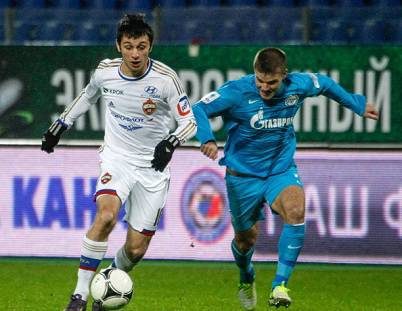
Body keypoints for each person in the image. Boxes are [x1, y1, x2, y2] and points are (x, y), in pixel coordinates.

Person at [192, 47, 378, 310]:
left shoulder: (297, 85)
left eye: (271, 82)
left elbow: (324, 84)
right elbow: (198, 108)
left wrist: (357, 105)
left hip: (280, 170)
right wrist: (207, 138)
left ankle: (280, 286)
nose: (265, 88)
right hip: (242, 177)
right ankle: (246, 276)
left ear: (284, 76)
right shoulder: (236, 92)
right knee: (246, 241)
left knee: (296, 208)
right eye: (260, 81)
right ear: (254, 73)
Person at [41, 14, 197, 311]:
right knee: (107, 216)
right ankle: (78, 296)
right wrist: (61, 124)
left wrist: (171, 142)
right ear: (118, 46)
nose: (135, 53)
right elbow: (88, 96)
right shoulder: (105, 72)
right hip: (117, 158)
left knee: (136, 248)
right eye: (129, 46)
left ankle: (109, 281)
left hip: (153, 169)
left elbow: (188, 122)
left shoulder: (166, 79)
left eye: (141, 46)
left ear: (150, 46)